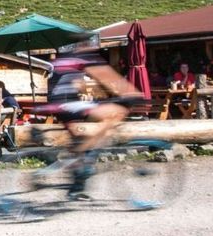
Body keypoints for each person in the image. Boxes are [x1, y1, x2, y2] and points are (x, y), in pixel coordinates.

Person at [37, 55, 144, 201]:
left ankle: (77, 182)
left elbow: (80, 83)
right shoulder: (85, 58)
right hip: (67, 104)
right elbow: (109, 77)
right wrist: (132, 94)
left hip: (58, 105)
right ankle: (86, 155)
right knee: (116, 113)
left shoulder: (67, 60)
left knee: (82, 141)